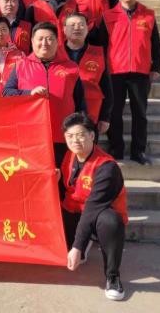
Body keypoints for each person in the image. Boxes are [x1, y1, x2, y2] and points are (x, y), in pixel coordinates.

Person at [60, 112, 128, 301]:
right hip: (73, 209)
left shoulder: (107, 167)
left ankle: (113, 276)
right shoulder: (69, 156)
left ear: (92, 135)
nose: (75, 140)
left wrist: (77, 246)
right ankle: (84, 241)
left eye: (80, 135)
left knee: (110, 222)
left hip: (99, 214)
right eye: (70, 136)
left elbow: (93, 207)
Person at [4, 22, 84, 167]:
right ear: (32, 41)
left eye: (49, 39)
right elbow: (7, 93)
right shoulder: (21, 65)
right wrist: (29, 93)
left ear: (57, 42)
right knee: (33, 174)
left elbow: (80, 101)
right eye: (40, 39)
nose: (44, 43)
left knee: (61, 174)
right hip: (30, 135)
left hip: (63, 133)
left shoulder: (71, 67)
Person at [103, 0, 160, 165]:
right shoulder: (108, 16)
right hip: (115, 71)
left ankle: (138, 151)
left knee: (140, 113)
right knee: (114, 113)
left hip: (140, 71)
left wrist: (156, 67)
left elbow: (156, 44)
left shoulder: (148, 15)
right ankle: (116, 149)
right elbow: (101, 45)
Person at [63, 13, 113, 133]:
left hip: (90, 112)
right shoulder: (56, 53)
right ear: (64, 29)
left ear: (87, 29)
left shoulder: (98, 54)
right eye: (72, 25)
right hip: (62, 110)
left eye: (81, 25)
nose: (77, 28)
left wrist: (105, 117)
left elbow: (107, 88)